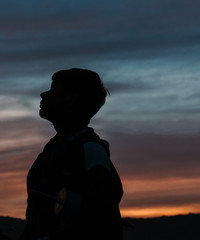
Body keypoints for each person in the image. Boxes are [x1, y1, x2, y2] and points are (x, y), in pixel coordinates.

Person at [19, 68, 123, 240]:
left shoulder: (91, 152)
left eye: (52, 89)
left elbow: (105, 220)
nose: (43, 94)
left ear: (71, 99)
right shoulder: (46, 155)